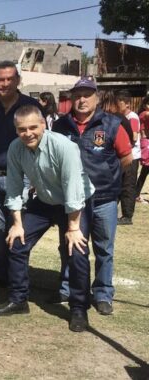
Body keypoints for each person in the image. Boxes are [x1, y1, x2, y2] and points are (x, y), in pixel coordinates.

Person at [0, 105, 95, 333]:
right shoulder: (15, 148)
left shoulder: (64, 146)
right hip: (45, 200)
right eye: (21, 129)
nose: (28, 133)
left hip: (73, 202)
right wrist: (17, 224)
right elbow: (15, 188)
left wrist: (73, 227)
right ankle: (18, 299)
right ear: (16, 130)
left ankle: (78, 308)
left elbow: (73, 187)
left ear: (44, 125)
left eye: (32, 127)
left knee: (76, 251)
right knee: (17, 243)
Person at [52, 78, 132, 315]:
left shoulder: (112, 124)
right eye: (78, 95)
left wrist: (109, 178)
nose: (82, 100)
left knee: (104, 249)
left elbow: (126, 158)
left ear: (97, 97)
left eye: (87, 95)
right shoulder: (60, 126)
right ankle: (68, 288)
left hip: (104, 200)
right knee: (70, 245)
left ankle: (103, 292)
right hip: (72, 201)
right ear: (72, 98)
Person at [0, 61, 42, 289]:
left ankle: (18, 278)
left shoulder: (31, 106)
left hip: (22, 177)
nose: (4, 83)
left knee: (18, 229)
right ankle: (1, 277)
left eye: (9, 79)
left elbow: (40, 142)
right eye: (0, 79)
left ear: (17, 80)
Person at [116, 90, 141, 225]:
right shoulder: (120, 117)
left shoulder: (132, 117)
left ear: (126, 104)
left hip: (132, 156)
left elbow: (134, 137)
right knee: (119, 185)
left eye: (119, 103)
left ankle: (127, 216)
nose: (117, 106)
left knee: (128, 186)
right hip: (122, 156)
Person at [135, 96, 149, 201]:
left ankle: (136, 193)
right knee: (145, 170)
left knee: (145, 171)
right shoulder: (144, 114)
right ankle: (136, 193)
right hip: (146, 143)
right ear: (144, 105)